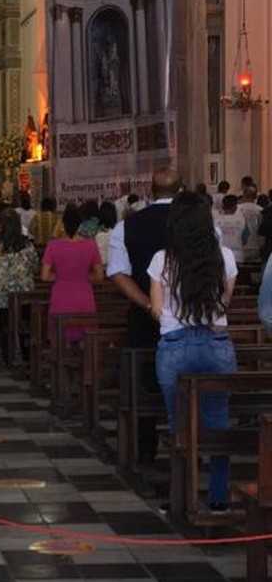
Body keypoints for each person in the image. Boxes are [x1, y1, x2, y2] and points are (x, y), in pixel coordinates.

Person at [149, 190, 238, 514]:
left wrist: (174, 317)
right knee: (218, 424)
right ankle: (217, 499)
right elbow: (224, 301)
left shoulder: (162, 259)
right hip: (216, 345)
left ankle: (183, 497)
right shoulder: (224, 256)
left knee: (179, 426)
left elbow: (156, 309)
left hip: (175, 344)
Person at [106, 163, 181, 466]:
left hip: (145, 318)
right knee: (190, 382)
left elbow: (118, 273)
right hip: (191, 320)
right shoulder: (200, 224)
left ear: (150, 190)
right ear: (182, 190)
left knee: (144, 384)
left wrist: (149, 305)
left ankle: (146, 450)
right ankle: (189, 449)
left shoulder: (128, 225)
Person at [42, 202, 103, 343]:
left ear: (62, 225)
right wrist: (82, 276)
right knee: (86, 338)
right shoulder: (91, 245)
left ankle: (60, 363)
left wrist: (61, 276)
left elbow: (45, 276)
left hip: (61, 295)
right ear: (80, 224)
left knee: (60, 337)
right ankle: (86, 363)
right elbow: (99, 276)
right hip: (84, 295)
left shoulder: (53, 245)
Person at [0, 207, 39, 365]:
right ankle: (27, 356)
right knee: (26, 323)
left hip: (3, 295)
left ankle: (7, 356)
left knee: (4, 326)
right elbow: (35, 267)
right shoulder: (28, 247)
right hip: (25, 294)